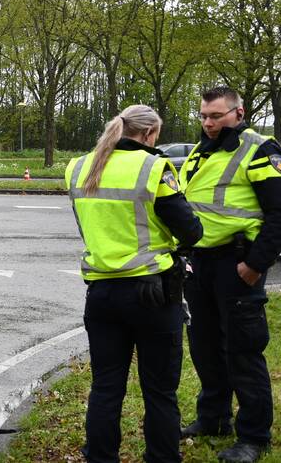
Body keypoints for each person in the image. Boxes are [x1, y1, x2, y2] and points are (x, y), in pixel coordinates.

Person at [66, 104, 203, 463]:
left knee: (106, 387)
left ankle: (100, 457)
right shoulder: (154, 166)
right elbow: (191, 229)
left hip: (101, 293)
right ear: (149, 134)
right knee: (159, 390)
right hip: (152, 293)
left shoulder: (78, 167)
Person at [179, 86, 281, 463]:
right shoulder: (200, 151)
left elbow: (278, 215)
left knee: (243, 352)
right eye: (204, 116)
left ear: (239, 113)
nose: (208, 123)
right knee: (205, 348)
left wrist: (255, 266)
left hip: (236, 264)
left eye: (216, 116)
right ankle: (213, 418)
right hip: (200, 265)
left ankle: (254, 436)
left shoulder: (258, 150)